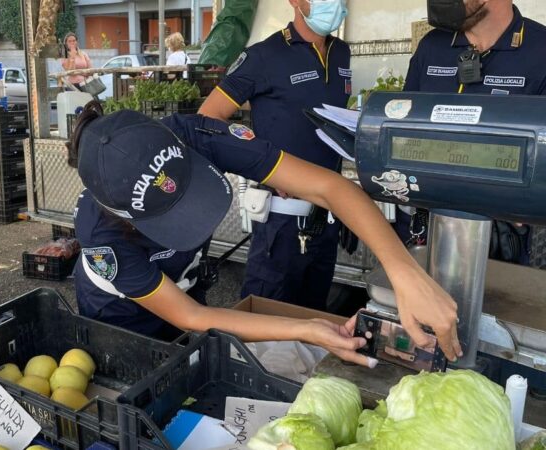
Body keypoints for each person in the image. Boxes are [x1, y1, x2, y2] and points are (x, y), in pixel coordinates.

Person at [68, 101, 462, 365]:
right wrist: (307, 330)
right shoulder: (103, 240)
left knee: (197, 361)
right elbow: (191, 316)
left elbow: (329, 188)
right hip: (122, 315)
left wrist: (405, 272)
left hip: (184, 282)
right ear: (124, 216)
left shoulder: (191, 134)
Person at [198, 0, 352, 311]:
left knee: (312, 318)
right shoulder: (263, 56)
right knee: (265, 318)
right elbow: (208, 118)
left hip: (329, 213)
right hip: (281, 219)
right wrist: (262, 165)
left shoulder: (342, 52)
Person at [399, 0, 546, 265]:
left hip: (501, 245)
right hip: (426, 234)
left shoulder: (540, 49)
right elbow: (403, 128)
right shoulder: (432, 47)